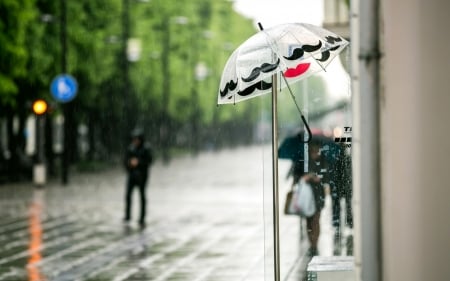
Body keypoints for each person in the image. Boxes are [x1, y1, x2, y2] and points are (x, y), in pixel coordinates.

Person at [291, 142, 330, 257]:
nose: (314, 151)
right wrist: (305, 177)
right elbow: (296, 176)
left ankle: (314, 244)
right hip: (306, 195)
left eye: (316, 149)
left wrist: (320, 178)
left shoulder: (323, 160)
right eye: (312, 149)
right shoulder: (303, 161)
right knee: (308, 220)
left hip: (318, 194)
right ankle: (311, 242)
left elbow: (327, 176)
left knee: (316, 219)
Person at [123, 129, 153, 227]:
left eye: (137, 139)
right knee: (128, 195)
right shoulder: (130, 148)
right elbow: (125, 161)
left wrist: (138, 162)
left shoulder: (146, 148)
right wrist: (129, 164)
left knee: (142, 196)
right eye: (134, 139)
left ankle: (142, 218)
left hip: (142, 176)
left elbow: (149, 161)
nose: (135, 141)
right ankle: (127, 216)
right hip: (132, 176)